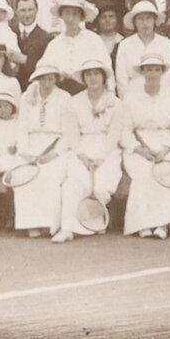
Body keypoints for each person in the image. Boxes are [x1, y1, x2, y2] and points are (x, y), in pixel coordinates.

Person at [120, 55, 170, 238]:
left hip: (168, 144)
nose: (152, 73)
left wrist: (165, 149)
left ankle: (163, 224)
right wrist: (139, 149)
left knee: (168, 169)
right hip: (140, 146)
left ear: (162, 72)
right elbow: (124, 131)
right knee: (144, 171)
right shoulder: (131, 97)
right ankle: (143, 224)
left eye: (156, 69)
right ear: (142, 72)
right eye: (148, 69)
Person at [14, 58, 81, 238]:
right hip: (31, 145)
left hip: (55, 147)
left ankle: (49, 224)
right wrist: (24, 152)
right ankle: (31, 223)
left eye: (51, 79)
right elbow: (21, 127)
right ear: (37, 79)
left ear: (56, 79)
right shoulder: (27, 97)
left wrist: (55, 153)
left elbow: (68, 132)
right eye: (43, 78)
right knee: (22, 173)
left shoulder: (64, 98)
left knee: (49, 174)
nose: (47, 83)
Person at [65, 61, 125, 241]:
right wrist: (82, 156)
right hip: (81, 149)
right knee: (73, 183)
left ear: (104, 77)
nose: (93, 78)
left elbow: (114, 135)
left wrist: (101, 158)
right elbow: (72, 135)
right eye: (88, 74)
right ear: (83, 78)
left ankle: (93, 224)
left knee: (100, 186)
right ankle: (68, 228)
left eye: (96, 74)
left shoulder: (116, 103)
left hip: (108, 151)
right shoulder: (73, 102)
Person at [38, 0, 113, 92]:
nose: (70, 19)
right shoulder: (54, 44)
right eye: (67, 14)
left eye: (75, 14)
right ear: (61, 16)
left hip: (88, 93)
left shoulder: (93, 40)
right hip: (60, 94)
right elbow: (42, 70)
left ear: (81, 17)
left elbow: (107, 70)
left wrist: (110, 93)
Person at [0, 84, 26, 230]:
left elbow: (21, 138)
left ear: (12, 108)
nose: (3, 109)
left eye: (6, 106)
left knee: (6, 185)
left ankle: (8, 216)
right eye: (0, 106)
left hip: (11, 158)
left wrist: (16, 147)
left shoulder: (16, 122)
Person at [115, 0, 170, 93]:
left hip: (160, 97)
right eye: (140, 19)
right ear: (134, 22)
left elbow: (169, 77)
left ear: (155, 21)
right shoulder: (125, 45)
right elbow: (121, 79)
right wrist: (128, 102)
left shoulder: (166, 43)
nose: (145, 23)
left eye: (149, 18)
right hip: (133, 96)